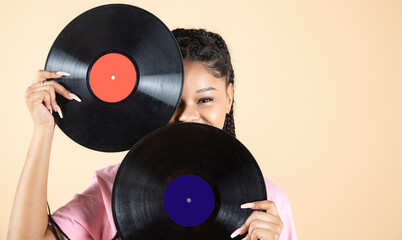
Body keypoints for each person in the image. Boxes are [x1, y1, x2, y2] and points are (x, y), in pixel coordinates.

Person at [8, 28, 297, 240]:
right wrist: (43, 130)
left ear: (229, 97)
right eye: (172, 102)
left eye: (206, 99)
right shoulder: (112, 188)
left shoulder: (268, 203)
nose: (187, 116)